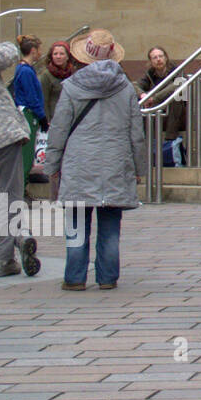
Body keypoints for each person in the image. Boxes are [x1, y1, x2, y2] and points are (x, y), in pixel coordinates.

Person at [45, 28, 145, 289]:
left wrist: (52, 165)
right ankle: (108, 278)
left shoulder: (71, 88)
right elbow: (136, 132)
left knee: (77, 224)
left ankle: (75, 278)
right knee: (111, 224)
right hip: (115, 161)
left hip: (79, 164)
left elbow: (59, 129)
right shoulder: (126, 89)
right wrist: (139, 167)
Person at [0, 40, 40, 278]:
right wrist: (12, 42)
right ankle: (5, 259)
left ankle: (18, 237)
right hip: (1, 133)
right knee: (9, 196)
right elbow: (8, 54)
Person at [138, 46, 187, 166]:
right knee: (139, 101)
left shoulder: (176, 70)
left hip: (178, 114)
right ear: (150, 61)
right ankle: (147, 141)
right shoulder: (149, 74)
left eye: (160, 56)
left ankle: (170, 139)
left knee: (176, 96)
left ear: (166, 57)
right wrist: (143, 95)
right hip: (159, 113)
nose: (158, 59)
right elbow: (136, 86)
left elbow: (179, 84)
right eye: (154, 57)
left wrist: (154, 98)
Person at [12, 36, 46, 183]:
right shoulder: (25, 71)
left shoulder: (25, 69)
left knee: (27, 156)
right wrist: (42, 116)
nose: (40, 53)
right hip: (28, 114)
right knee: (26, 157)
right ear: (33, 51)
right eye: (39, 50)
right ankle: (21, 189)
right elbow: (32, 97)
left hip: (29, 113)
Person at [38, 40, 76, 137]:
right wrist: (47, 120)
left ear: (68, 56)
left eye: (61, 54)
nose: (58, 56)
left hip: (71, 117)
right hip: (54, 119)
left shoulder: (74, 73)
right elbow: (44, 99)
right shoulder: (46, 75)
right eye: (55, 54)